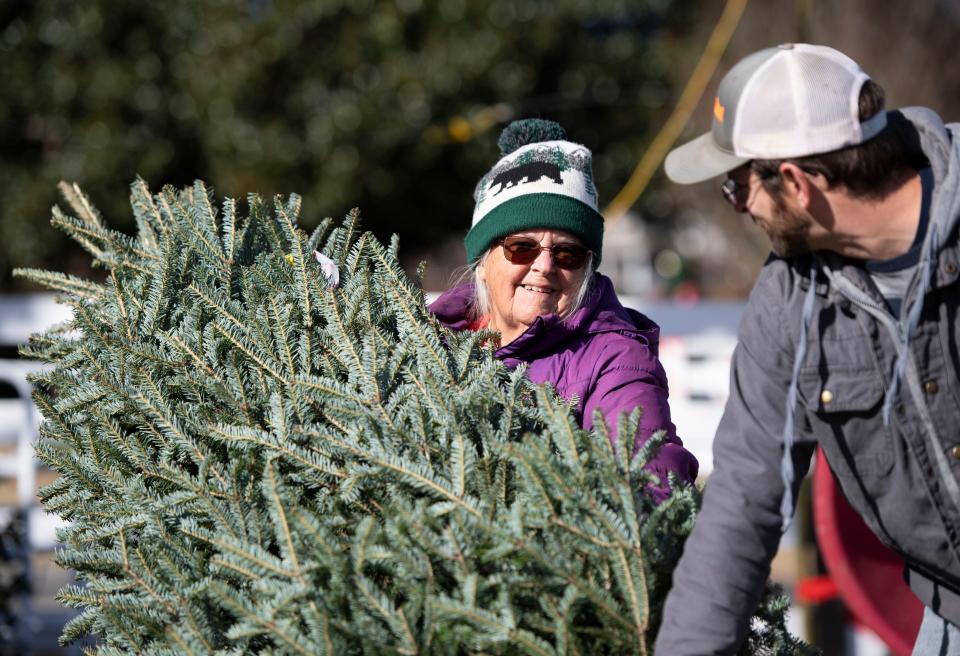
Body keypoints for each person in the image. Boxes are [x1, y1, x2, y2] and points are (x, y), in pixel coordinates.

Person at [655, 43, 960, 654]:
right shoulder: (788, 303)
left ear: (794, 183)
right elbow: (742, 501)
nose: (738, 206)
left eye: (736, 186)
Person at [429, 118, 698, 499]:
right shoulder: (431, 335)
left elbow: (653, 487)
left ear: (587, 267)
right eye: (521, 247)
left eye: (568, 252)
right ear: (484, 262)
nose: (544, 265)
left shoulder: (617, 360)